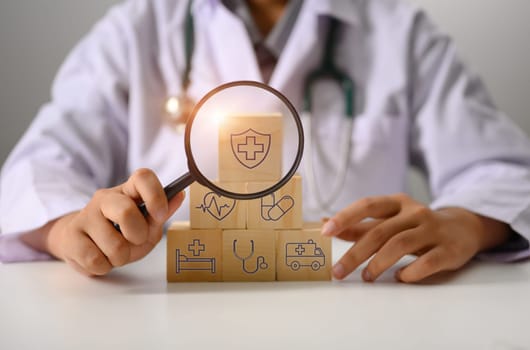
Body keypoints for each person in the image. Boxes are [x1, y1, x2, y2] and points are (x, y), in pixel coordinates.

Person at [1, 0, 530, 283]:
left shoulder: (400, 32)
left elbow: (502, 171)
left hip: (355, 316)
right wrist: (68, 226)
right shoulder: (137, 28)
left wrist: (469, 221)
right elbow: (38, 168)